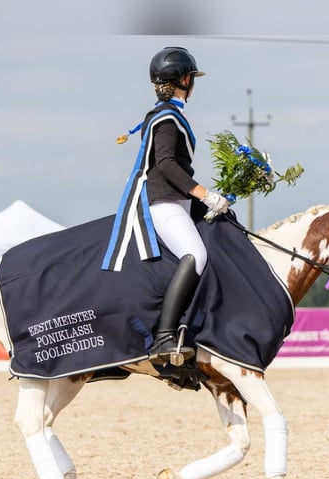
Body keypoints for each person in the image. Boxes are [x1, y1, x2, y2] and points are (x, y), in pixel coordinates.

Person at [103, 46, 229, 366]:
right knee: (196, 255)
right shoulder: (168, 118)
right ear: (185, 80)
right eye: (192, 78)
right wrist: (205, 194)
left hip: (177, 201)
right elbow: (167, 165)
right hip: (164, 203)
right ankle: (163, 336)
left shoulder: (168, 115)